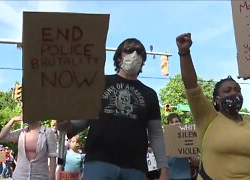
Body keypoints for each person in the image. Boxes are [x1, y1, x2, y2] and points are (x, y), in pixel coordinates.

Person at [57, 38, 169, 179]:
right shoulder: (99, 83)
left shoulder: (150, 94)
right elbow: (83, 120)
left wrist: (163, 169)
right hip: (99, 162)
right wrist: (68, 125)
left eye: (139, 51)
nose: (134, 54)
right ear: (118, 57)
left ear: (143, 60)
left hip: (135, 167)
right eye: (129, 50)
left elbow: (156, 134)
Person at [176, 32, 250, 179]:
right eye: (228, 91)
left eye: (237, 90)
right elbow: (191, 86)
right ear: (217, 100)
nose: (234, 93)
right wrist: (184, 53)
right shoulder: (208, 117)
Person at [0, 115, 57, 180]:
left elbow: (53, 156)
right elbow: (1, 138)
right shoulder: (21, 132)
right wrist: (13, 120)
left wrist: (52, 177)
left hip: (40, 176)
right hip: (19, 177)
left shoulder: (48, 132)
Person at [167, 113, 199, 180]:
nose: (174, 124)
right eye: (172, 122)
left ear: (181, 124)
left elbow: (195, 160)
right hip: (170, 177)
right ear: (168, 125)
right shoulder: (165, 140)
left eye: (176, 122)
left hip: (185, 177)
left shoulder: (187, 139)